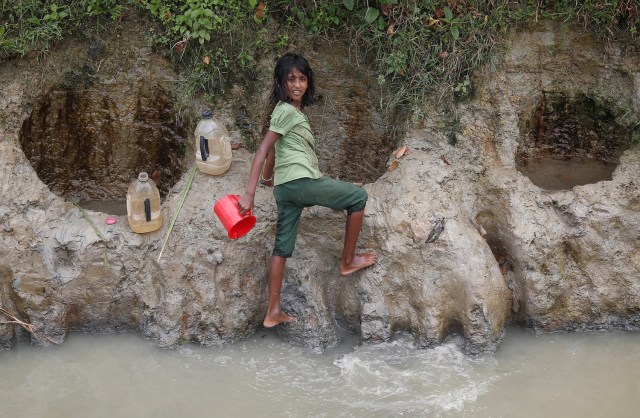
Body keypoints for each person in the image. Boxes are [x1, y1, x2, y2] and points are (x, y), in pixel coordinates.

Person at [238, 52, 377, 328]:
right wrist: (249, 193)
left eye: (302, 79)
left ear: (308, 82)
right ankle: (347, 260)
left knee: (281, 247)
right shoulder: (287, 110)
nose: (297, 85)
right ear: (280, 83)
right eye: (291, 79)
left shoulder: (287, 114)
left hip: (286, 189)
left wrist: (268, 179)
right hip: (300, 184)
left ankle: (272, 312)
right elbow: (264, 148)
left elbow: (275, 153)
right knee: (358, 197)